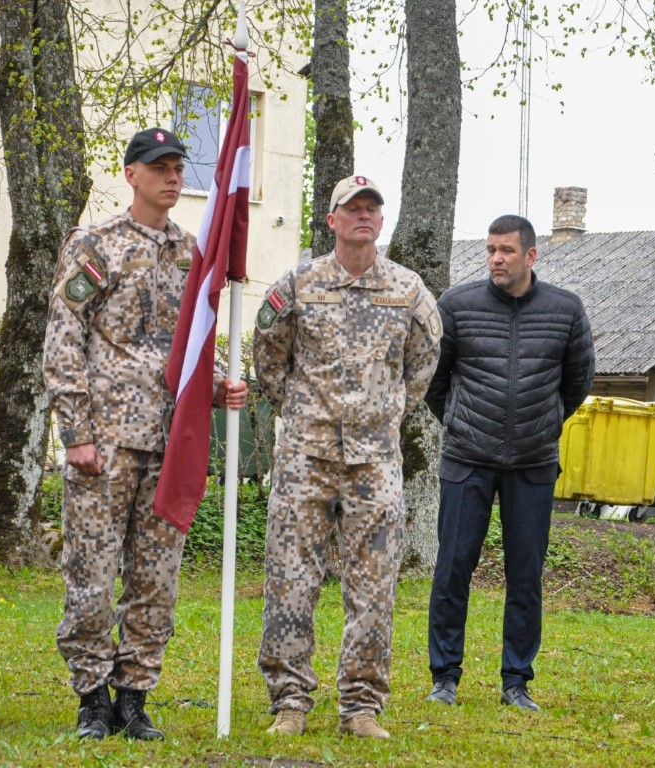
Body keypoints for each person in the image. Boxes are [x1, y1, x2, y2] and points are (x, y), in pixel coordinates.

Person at [43, 127, 248, 741]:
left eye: (178, 166)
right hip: (103, 444)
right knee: (93, 577)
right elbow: (63, 339)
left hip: (169, 443)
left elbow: (190, 345)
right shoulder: (95, 244)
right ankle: (92, 698)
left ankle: (134, 696)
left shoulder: (195, 252)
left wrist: (217, 385)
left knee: (156, 578)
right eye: (158, 166)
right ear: (131, 174)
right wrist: (75, 432)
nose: (172, 176)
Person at [252, 174, 441, 738]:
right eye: (350, 208)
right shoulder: (299, 284)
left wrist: (381, 415)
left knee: (373, 586)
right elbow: (269, 358)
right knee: (290, 580)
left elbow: (422, 366)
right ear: (331, 220)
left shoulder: (409, 292)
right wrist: (306, 411)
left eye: (371, 209)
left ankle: (361, 707)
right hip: (304, 460)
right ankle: (289, 702)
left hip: (375, 464)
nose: (362, 216)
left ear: (381, 222)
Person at [423, 214, 595, 711]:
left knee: (526, 575)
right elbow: (436, 379)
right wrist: (458, 421)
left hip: (533, 464)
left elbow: (578, 382)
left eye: (507, 251)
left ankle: (516, 681)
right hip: (467, 460)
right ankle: (445, 677)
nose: (497, 259)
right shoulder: (456, 305)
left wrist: (544, 424)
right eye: (491, 250)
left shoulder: (566, 310)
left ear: (531, 255)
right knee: (453, 568)